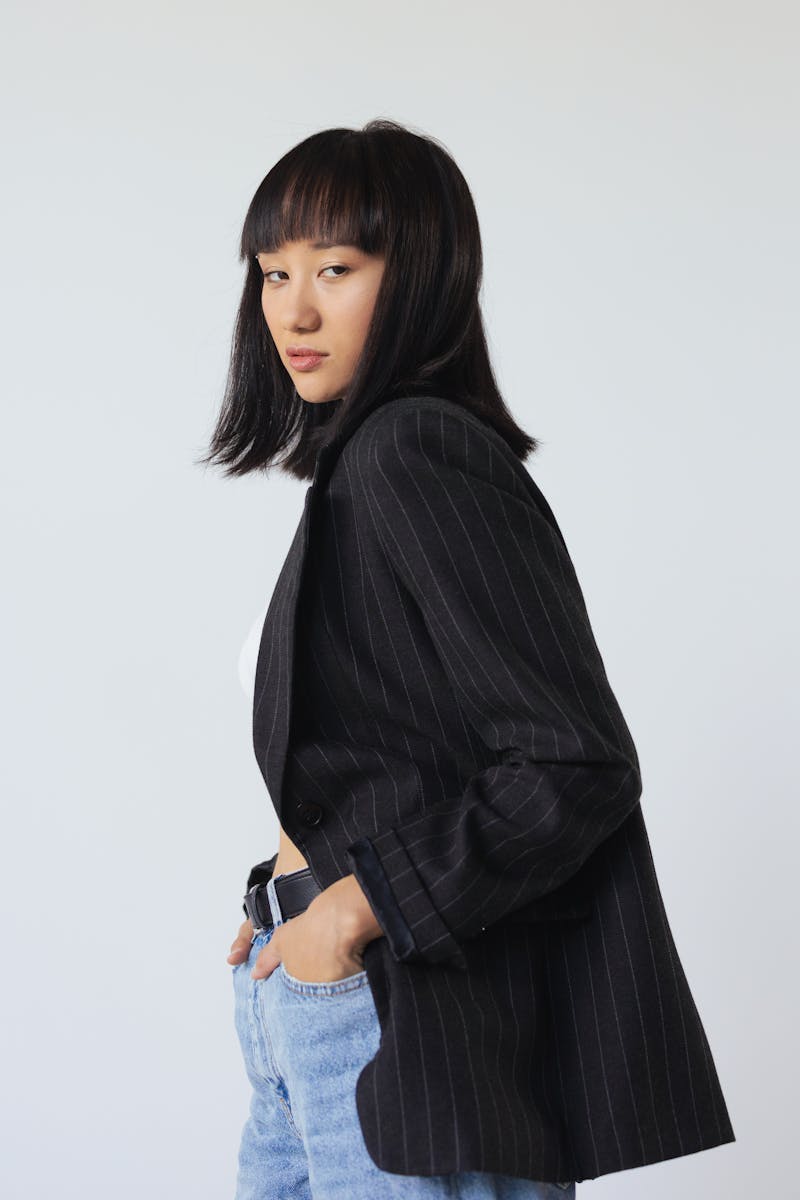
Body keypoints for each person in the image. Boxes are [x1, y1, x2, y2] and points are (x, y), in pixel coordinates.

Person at [199, 119, 736, 1198]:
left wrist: (350, 913)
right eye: (272, 273)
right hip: (309, 998)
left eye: (335, 269)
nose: (291, 310)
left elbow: (572, 764)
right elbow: (397, 745)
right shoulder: (361, 465)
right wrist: (288, 898)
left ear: (420, 279)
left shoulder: (414, 451)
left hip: (399, 1025)